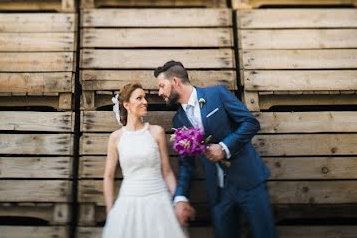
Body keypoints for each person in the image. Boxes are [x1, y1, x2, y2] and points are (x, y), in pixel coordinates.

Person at [155, 60, 276, 238]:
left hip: (249, 182)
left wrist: (224, 147)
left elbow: (250, 123)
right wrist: (180, 197)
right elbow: (186, 165)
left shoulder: (217, 94)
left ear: (175, 82)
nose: (160, 92)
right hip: (218, 192)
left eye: (161, 86)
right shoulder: (178, 121)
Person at [102, 82, 187, 238]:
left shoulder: (156, 132)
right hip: (128, 201)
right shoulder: (116, 138)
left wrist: (178, 201)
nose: (145, 102)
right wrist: (110, 209)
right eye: (139, 98)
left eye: (145, 98)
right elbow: (108, 176)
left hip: (159, 200)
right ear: (126, 104)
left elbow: (167, 171)